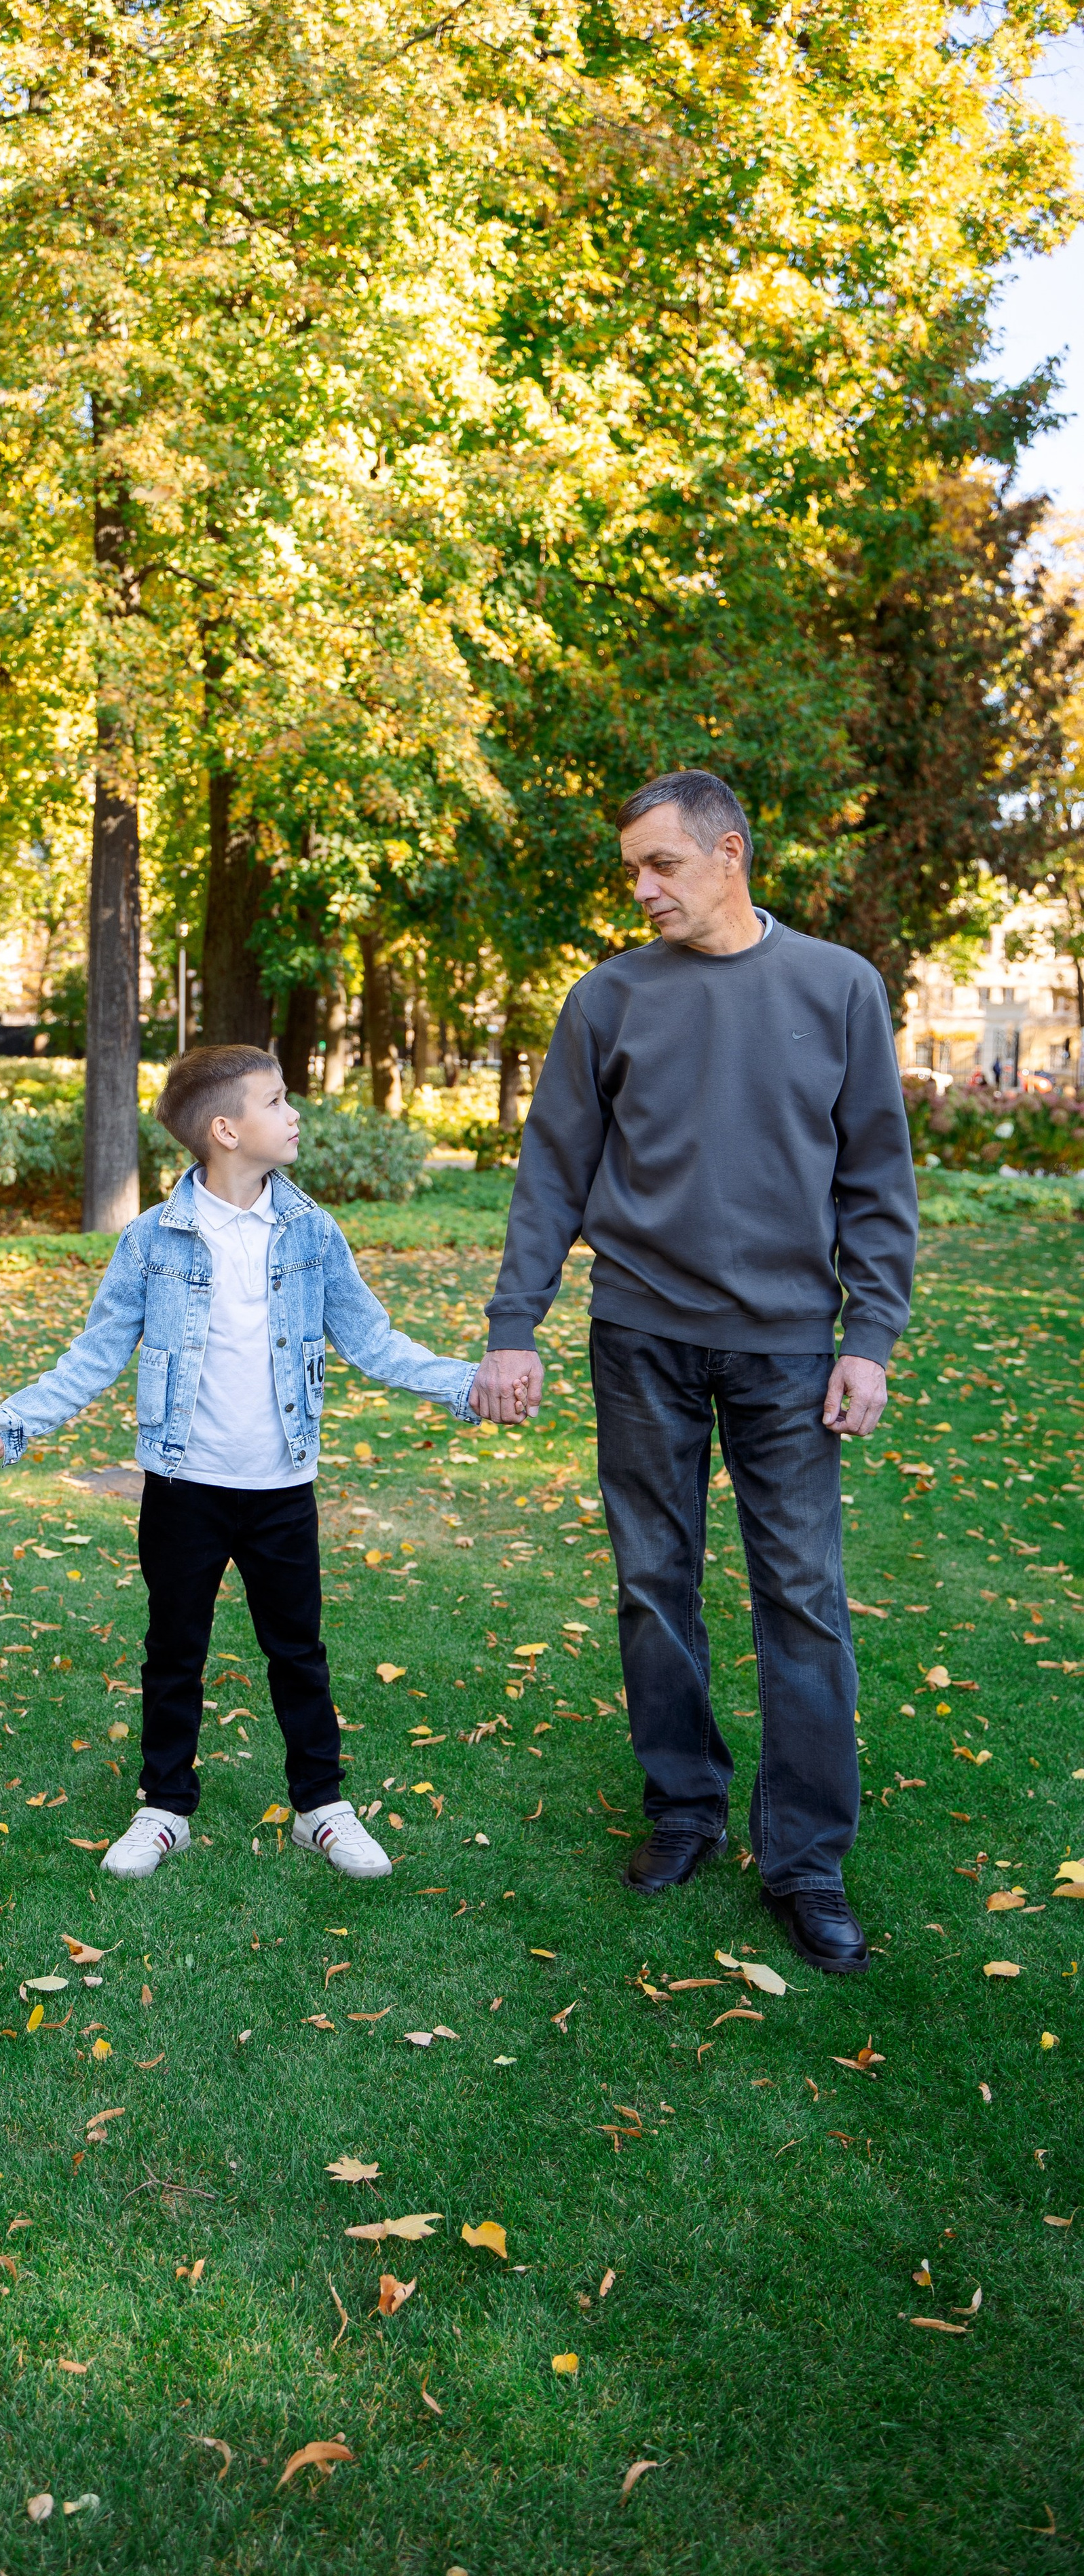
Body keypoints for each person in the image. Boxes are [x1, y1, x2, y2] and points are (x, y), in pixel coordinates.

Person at [470, 771, 918, 1974]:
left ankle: (806, 1858)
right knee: (654, 1582)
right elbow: (552, 1174)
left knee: (804, 1600)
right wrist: (516, 1323)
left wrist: (868, 1340)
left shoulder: (839, 989)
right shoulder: (607, 999)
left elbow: (877, 1179)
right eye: (633, 870)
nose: (643, 888)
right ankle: (685, 1810)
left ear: (730, 854)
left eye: (661, 865)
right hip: (642, 1338)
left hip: (787, 1350)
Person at [0, 1044, 483, 1881]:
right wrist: (6, 1424)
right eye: (277, 1102)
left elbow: (371, 1340)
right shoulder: (153, 1241)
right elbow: (92, 1359)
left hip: (281, 1490)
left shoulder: (312, 1232)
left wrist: (469, 1385)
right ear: (225, 1130)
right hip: (183, 1489)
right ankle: (165, 1807)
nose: (294, 1114)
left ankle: (321, 1806)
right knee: (174, 1652)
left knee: (298, 1651)